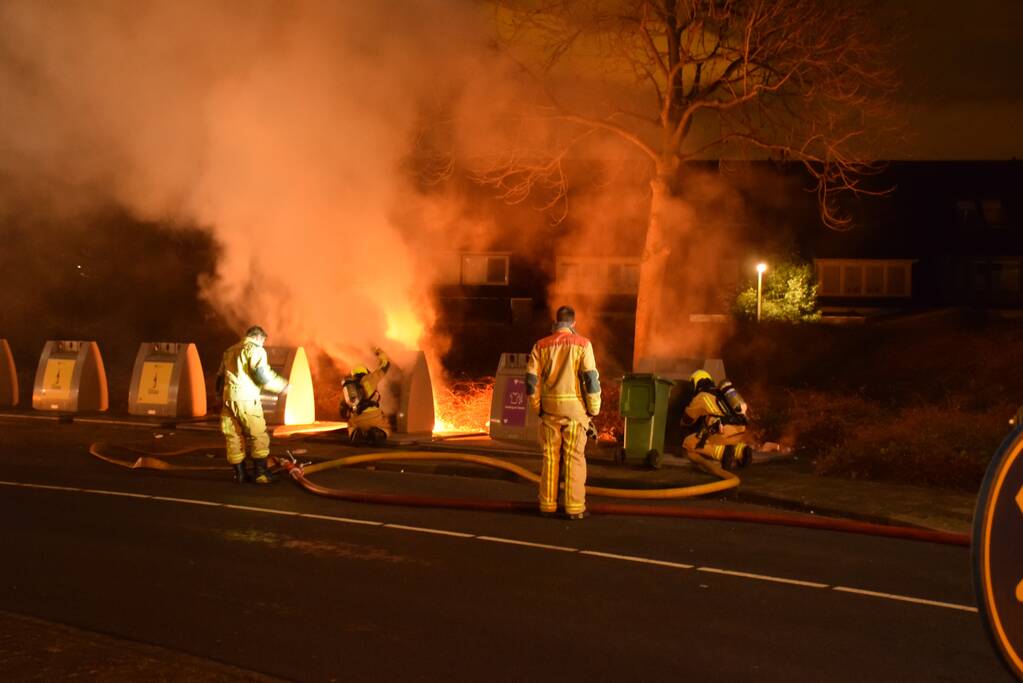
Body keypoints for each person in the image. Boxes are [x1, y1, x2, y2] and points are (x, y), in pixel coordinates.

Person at [526, 305, 601, 520]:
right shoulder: (583, 344)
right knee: (574, 458)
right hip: (576, 411)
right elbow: (591, 380)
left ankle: (547, 505)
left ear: (555, 322)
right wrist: (593, 409)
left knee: (550, 457)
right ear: (573, 323)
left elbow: (531, 382)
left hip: (549, 410)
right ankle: (574, 508)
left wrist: (537, 407)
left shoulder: (540, 346)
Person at [215, 326, 289, 484]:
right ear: (259, 337)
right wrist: (282, 387)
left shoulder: (229, 350)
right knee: (258, 435)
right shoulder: (255, 350)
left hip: (228, 400)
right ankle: (261, 474)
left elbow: (219, 377)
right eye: (263, 341)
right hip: (247, 399)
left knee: (233, 436)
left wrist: (218, 397)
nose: (263, 344)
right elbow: (261, 374)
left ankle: (239, 475)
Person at [681, 369, 751, 471]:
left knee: (688, 442)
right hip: (739, 431)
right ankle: (741, 451)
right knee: (712, 426)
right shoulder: (720, 393)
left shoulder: (701, 397)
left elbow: (687, 419)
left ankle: (722, 453)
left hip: (725, 432)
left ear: (696, 383)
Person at [340, 348, 391, 445]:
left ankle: (356, 433)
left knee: (351, 426)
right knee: (386, 427)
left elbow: (343, 410)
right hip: (374, 416)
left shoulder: (348, 387)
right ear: (365, 371)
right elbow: (386, 364)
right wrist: (379, 351)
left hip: (356, 419)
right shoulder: (370, 378)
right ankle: (377, 433)